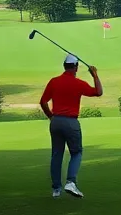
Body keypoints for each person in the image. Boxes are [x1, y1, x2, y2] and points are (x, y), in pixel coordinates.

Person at [40, 54, 103, 198]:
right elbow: (98, 92)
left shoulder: (54, 82)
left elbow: (43, 102)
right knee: (76, 152)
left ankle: (56, 189)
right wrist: (95, 75)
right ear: (75, 67)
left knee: (56, 155)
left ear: (64, 66)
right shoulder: (78, 83)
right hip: (71, 122)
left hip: (56, 122)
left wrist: (51, 116)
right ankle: (71, 182)